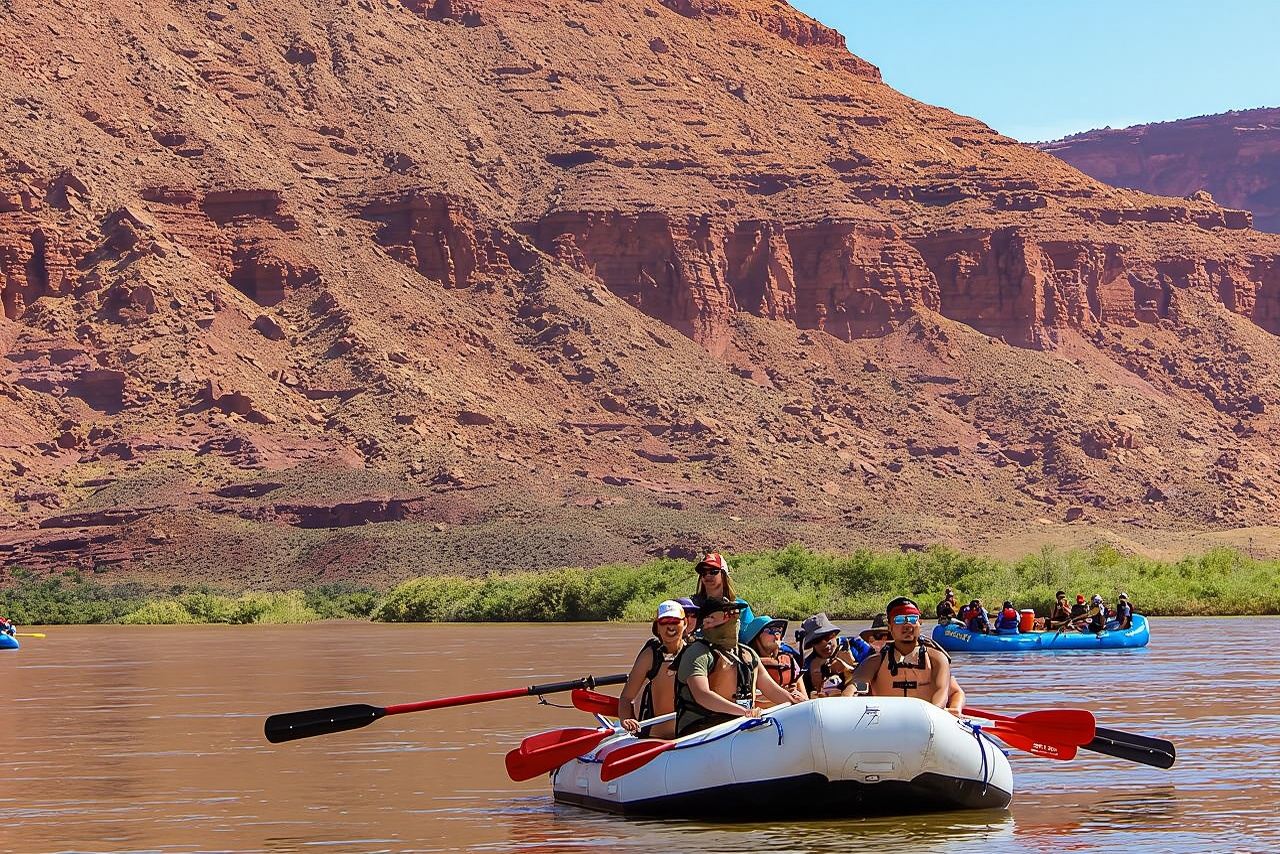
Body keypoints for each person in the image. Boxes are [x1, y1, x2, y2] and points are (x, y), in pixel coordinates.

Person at [672, 597, 805, 736]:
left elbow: (771, 689)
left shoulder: (748, 654)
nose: (734, 618)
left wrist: (796, 703)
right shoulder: (697, 653)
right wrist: (744, 712)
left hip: (741, 726)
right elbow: (702, 695)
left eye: (736, 613)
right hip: (703, 730)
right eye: (727, 614)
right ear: (707, 622)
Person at [850, 596, 953, 710]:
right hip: (885, 718)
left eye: (912, 619)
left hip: (926, 717)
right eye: (899, 619)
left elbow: (941, 691)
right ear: (890, 627)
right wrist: (856, 692)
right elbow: (858, 684)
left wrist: (934, 712)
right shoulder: (874, 662)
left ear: (920, 623)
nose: (907, 625)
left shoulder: (937, 659)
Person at [618, 600, 687, 738]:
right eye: (664, 622)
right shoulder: (650, 655)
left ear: (685, 623)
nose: (670, 626)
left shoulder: (694, 651)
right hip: (655, 737)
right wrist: (626, 720)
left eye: (675, 621)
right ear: (657, 627)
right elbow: (626, 698)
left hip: (689, 735)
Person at [742, 615, 803, 700]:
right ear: (757, 636)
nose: (777, 634)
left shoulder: (790, 661)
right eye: (771, 630)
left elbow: (805, 697)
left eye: (779, 630)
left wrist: (798, 696)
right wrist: (787, 697)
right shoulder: (746, 664)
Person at [802, 614, 860, 698]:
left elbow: (868, 675)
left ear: (835, 634)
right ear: (812, 644)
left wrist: (851, 688)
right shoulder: (807, 667)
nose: (825, 644)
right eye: (817, 640)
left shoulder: (855, 646)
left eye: (828, 636)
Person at [690, 552, 755, 624]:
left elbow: (750, 630)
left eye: (713, 572)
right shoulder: (692, 606)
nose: (708, 575)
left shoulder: (740, 608)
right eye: (704, 572)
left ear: (724, 575)